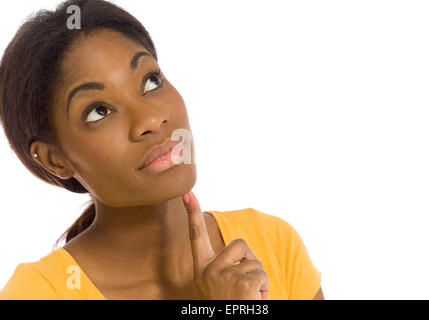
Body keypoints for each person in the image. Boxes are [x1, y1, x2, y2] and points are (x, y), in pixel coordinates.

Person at [0, 0, 323, 300]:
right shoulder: (41, 292)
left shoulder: (273, 242)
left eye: (151, 81)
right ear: (56, 159)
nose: (151, 119)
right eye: (99, 110)